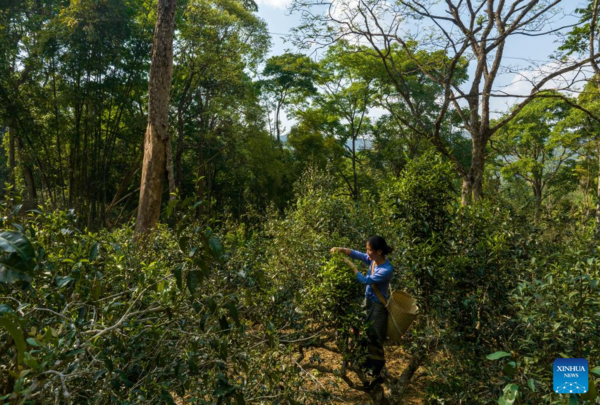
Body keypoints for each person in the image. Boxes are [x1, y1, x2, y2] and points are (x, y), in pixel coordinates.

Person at [330, 235, 393, 391]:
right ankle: (366, 373)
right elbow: (359, 255)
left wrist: (351, 266)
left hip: (378, 308)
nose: (367, 253)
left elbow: (366, 280)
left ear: (379, 251)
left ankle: (376, 376)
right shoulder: (373, 260)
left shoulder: (386, 269)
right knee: (361, 335)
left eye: (369, 250)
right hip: (367, 304)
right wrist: (343, 250)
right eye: (367, 249)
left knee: (374, 340)